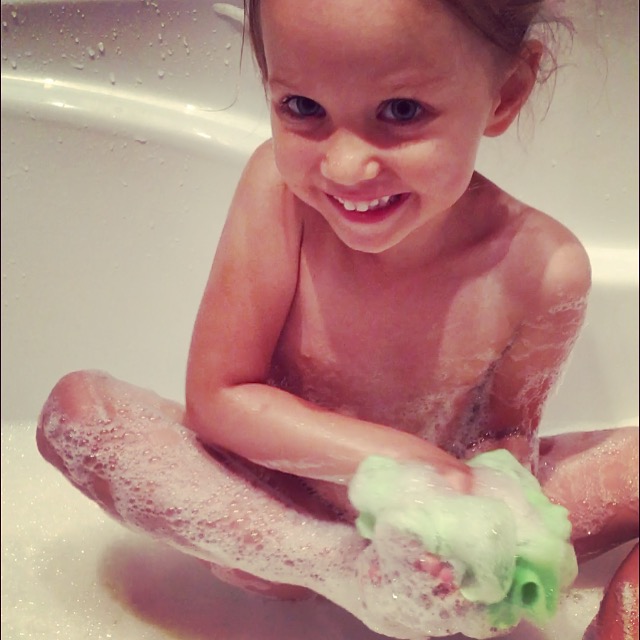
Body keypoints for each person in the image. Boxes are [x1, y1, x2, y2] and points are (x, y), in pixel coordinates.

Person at [37, 0, 638, 637]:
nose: (345, 166)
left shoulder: (545, 269)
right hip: (273, 499)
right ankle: (337, 570)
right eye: (302, 107)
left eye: (401, 111)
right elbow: (219, 396)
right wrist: (396, 465)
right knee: (78, 412)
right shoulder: (279, 194)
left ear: (507, 92)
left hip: (439, 505)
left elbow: (505, 432)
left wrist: (484, 526)